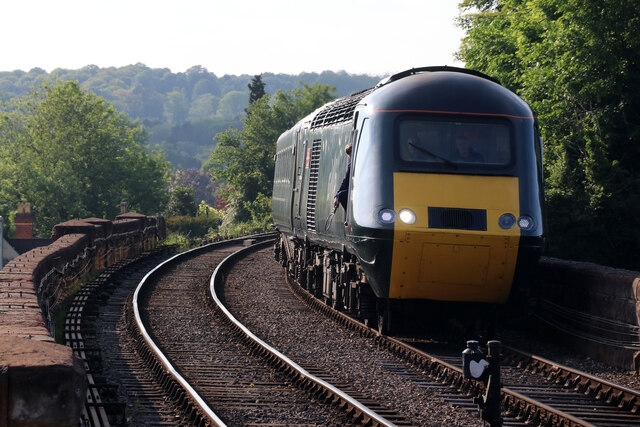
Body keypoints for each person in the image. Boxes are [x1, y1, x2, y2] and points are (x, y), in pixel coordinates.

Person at [333, 143, 352, 211]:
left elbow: (345, 181)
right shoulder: (351, 165)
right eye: (348, 152)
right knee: (341, 194)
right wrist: (337, 196)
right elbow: (345, 181)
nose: (350, 154)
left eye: (351, 151)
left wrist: (338, 195)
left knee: (341, 195)